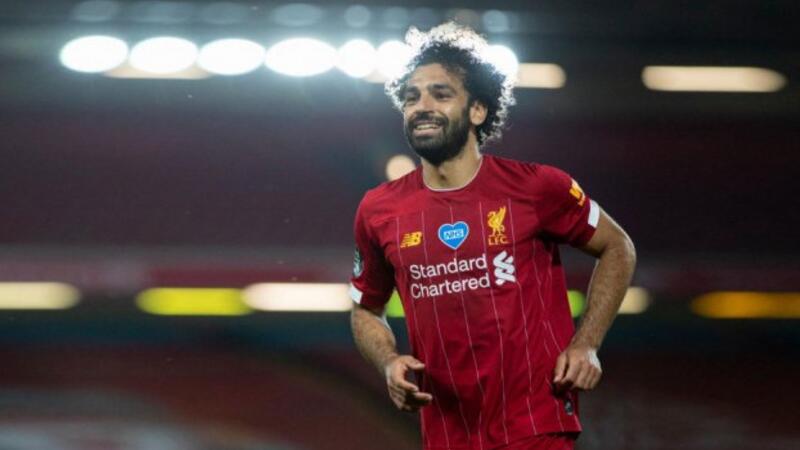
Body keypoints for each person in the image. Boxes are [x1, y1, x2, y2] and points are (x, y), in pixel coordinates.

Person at [349, 22, 636, 450]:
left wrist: (587, 344)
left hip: (535, 425)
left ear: (478, 110)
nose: (421, 106)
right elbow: (365, 309)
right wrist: (388, 362)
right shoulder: (378, 209)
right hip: (445, 434)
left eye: (440, 94)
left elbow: (618, 247)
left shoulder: (537, 187)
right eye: (411, 97)